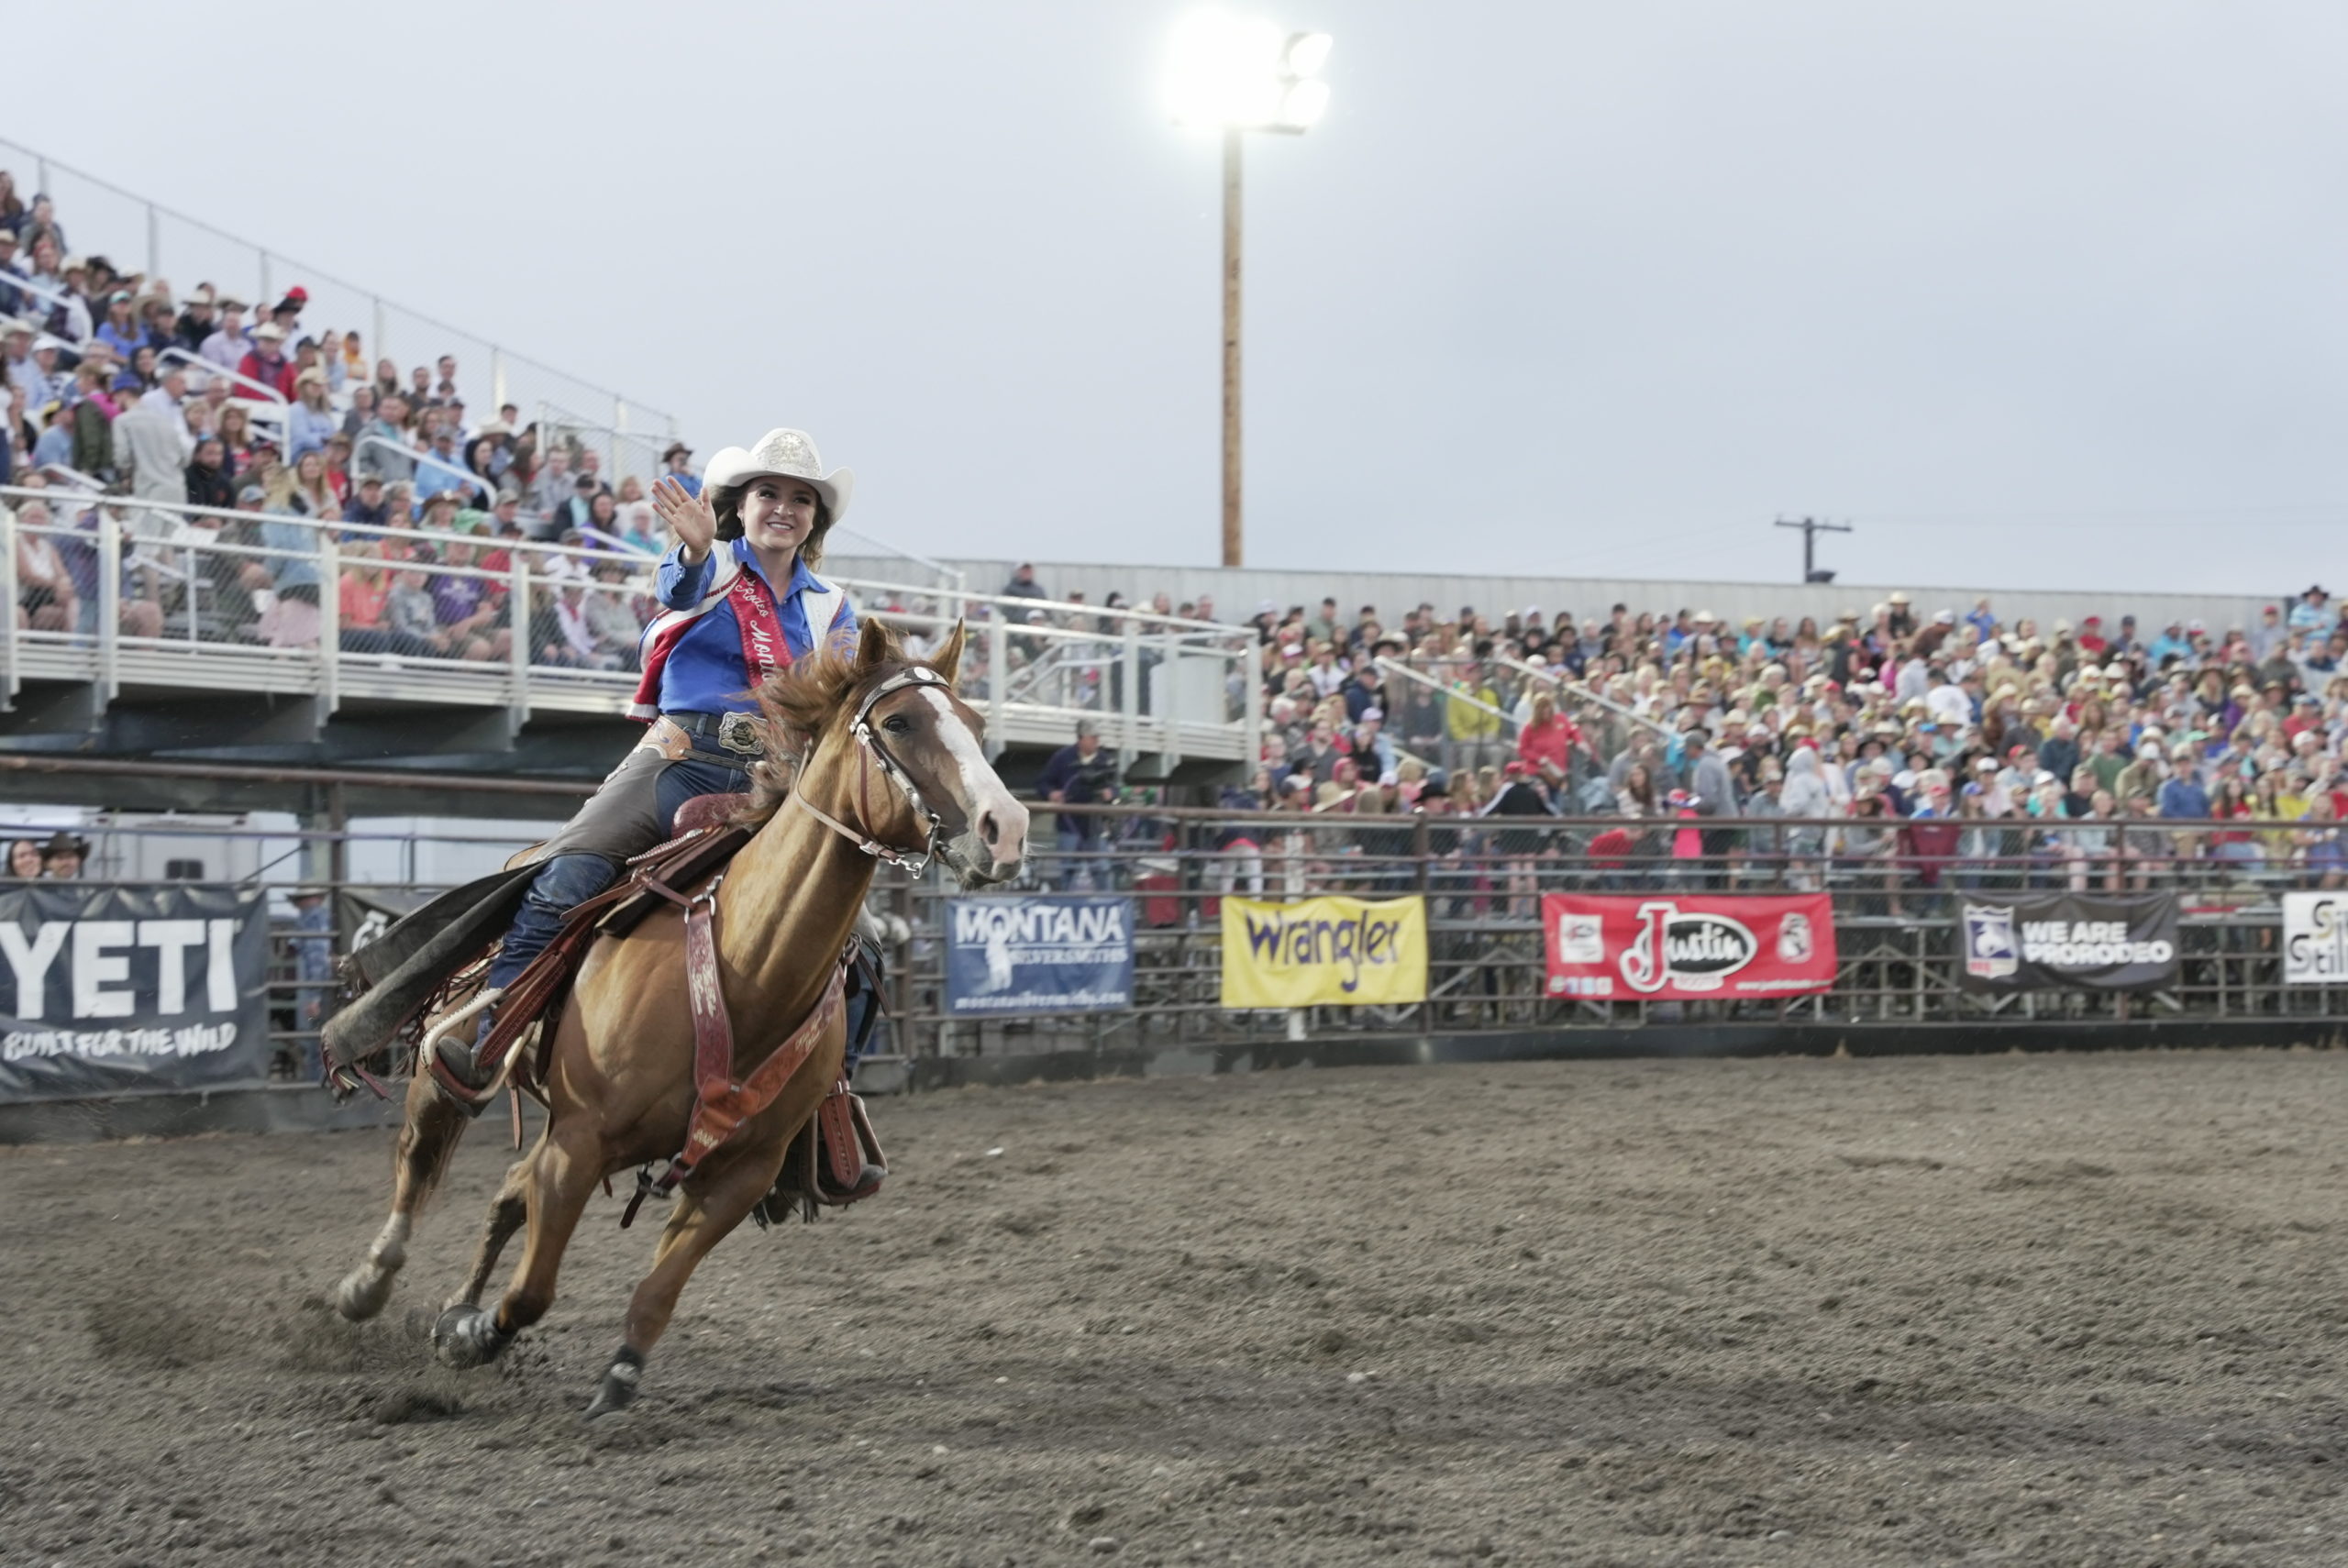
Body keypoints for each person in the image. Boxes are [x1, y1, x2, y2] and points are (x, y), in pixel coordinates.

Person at [431, 427, 859, 1104]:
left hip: (774, 784)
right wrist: (693, 546)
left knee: (851, 938)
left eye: (801, 499)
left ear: (815, 518)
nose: (784, 508)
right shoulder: (712, 564)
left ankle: (824, 1101)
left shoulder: (832, 607)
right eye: (768, 493)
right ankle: (491, 1029)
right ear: (739, 508)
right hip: (680, 761)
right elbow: (679, 586)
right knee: (570, 868)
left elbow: (845, 693)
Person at [1037, 718, 1118, 889]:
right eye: (1092, 737)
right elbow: (1043, 782)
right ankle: (1064, 903)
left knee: (1101, 870)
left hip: (1096, 824)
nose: (1096, 741)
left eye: (1097, 737)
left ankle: (1106, 903)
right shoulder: (1062, 758)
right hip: (1069, 823)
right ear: (1081, 738)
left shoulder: (1106, 760)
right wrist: (1052, 794)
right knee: (1066, 868)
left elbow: (1115, 785)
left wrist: (1111, 793)